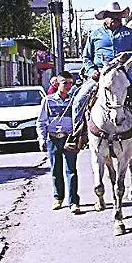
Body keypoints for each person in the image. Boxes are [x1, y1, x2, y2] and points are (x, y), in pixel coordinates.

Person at [72, 1, 132, 151]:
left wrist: (128, 55)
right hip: (101, 74)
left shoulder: (130, 33)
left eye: (118, 16)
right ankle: (77, 135)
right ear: (105, 17)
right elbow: (86, 58)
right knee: (79, 100)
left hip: (125, 73)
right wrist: (91, 71)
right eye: (112, 16)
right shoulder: (95, 35)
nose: (116, 18)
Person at [38, 72, 82, 214]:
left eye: (71, 83)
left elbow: (79, 121)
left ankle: (74, 202)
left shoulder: (74, 100)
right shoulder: (48, 100)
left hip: (69, 138)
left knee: (71, 170)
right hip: (53, 138)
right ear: (58, 84)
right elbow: (41, 121)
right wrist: (42, 138)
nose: (68, 86)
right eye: (65, 83)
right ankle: (58, 198)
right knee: (56, 170)